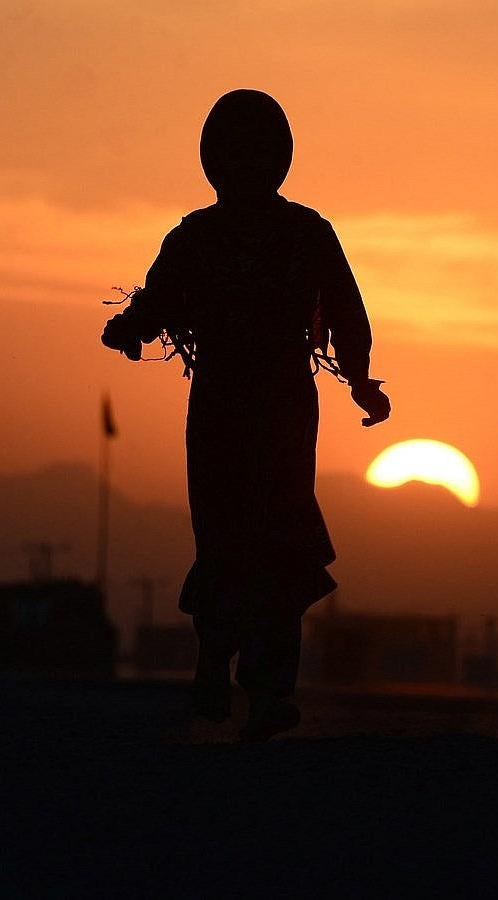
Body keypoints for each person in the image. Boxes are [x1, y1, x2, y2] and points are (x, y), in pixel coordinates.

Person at [101, 90, 390, 742]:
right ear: (215, 159)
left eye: (260, 150)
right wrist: (130, 326)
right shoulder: (206, 235)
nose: (249, 163)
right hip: (230, 405)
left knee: (276, 546)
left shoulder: (295, 232)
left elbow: (346, 314)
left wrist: (362, 380)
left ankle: (260, 690)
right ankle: (222, 665)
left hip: (277, 406)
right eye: (238, 151)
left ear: (279, 157)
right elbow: (159, 298)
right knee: (230, 540)